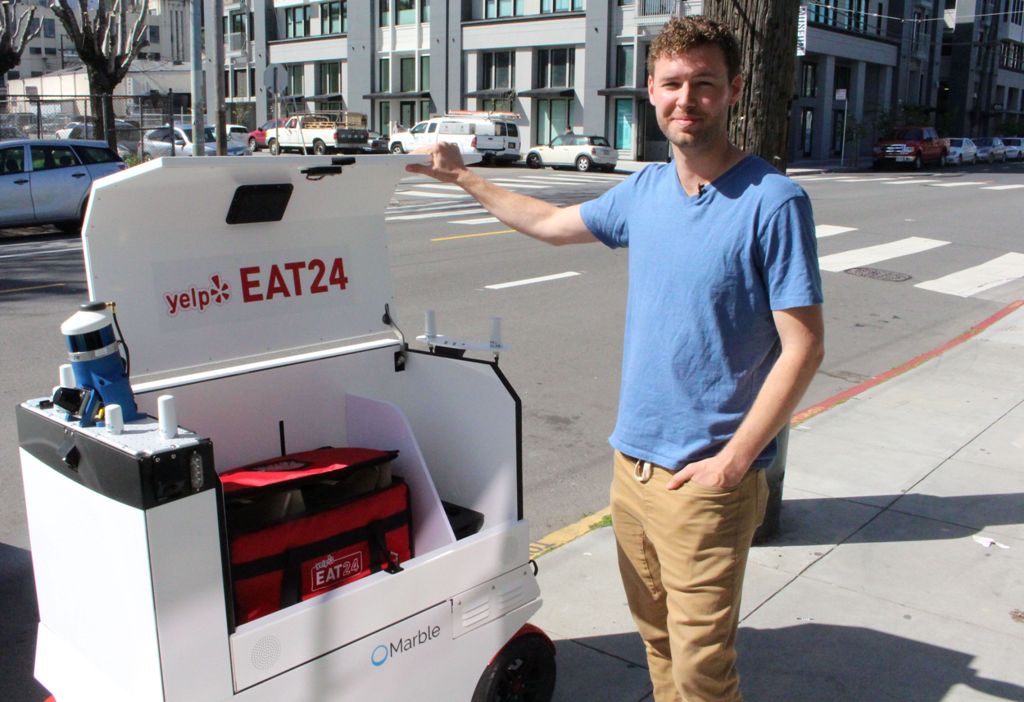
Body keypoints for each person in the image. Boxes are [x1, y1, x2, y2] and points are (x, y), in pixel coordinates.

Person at [406, 16, 824, 702]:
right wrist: (465, 179)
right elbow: (548, 224)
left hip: (707, 482)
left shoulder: (773, 202)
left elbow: (804, 346)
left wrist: (734, 461)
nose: (686, 98)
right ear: (652, 93)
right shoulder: (646, 191)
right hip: (631, 469)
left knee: (701, 671)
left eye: (704, 84)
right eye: (672, 84)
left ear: (734, 90)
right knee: (656, 639)